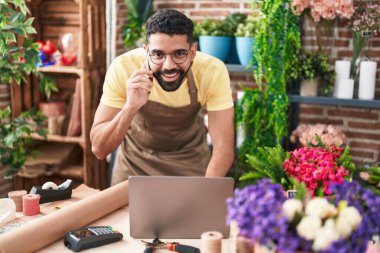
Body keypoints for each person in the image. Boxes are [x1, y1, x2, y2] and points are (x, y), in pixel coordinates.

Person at [90, 9, 234, 185]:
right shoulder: (123, 68)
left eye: (179, 54)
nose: (169, 65)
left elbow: (223, 147)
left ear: (193, 51)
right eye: (158, 54)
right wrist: (130, 107)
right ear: (146, 51)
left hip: (190, 165)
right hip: (134, 169)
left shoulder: (212, 71)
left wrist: (205, 191)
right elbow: (99, 149)